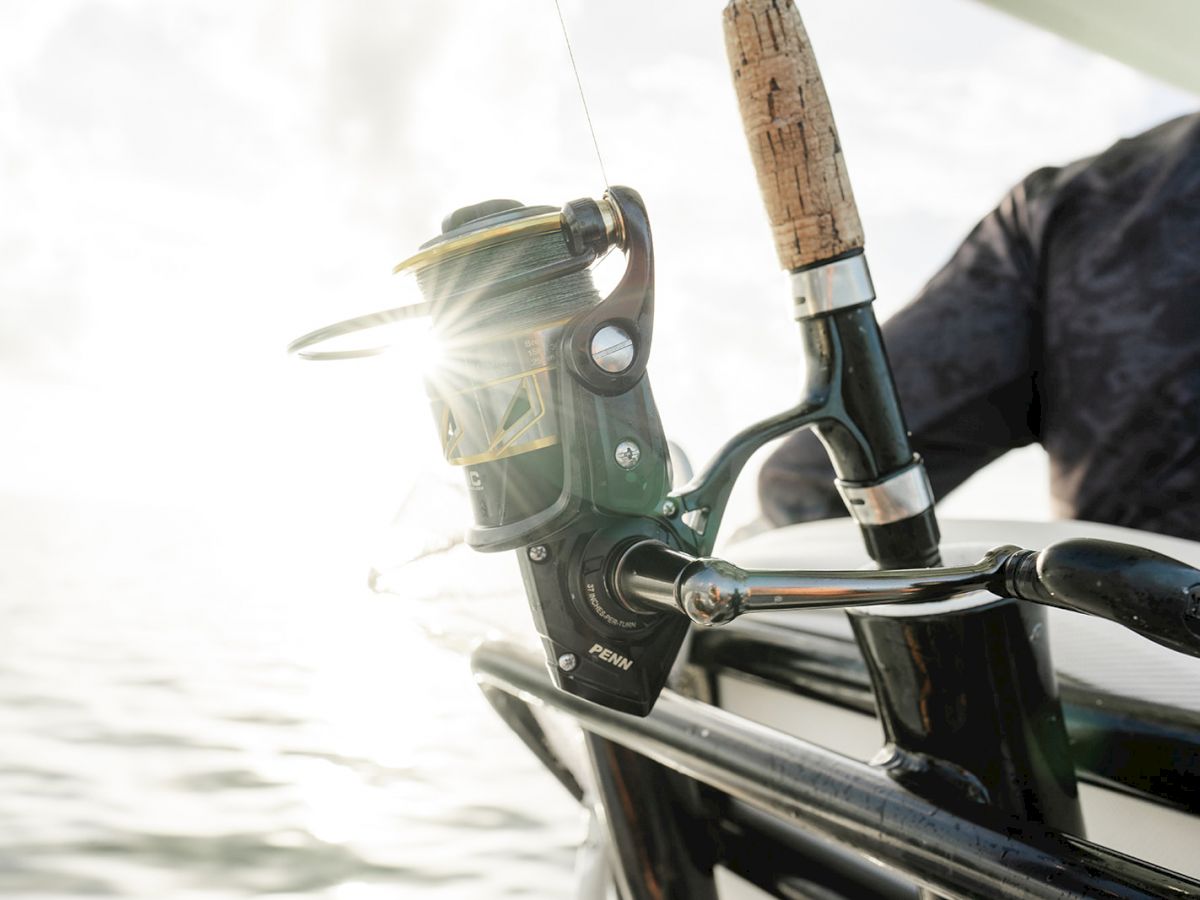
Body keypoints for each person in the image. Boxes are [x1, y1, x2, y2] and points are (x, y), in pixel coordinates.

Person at [758, 113, 1200, 542]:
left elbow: (809, 494)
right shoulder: (1072, 211)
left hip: (1110, 599)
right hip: (1109, 600)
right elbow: (823, 489)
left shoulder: (1081, 203)